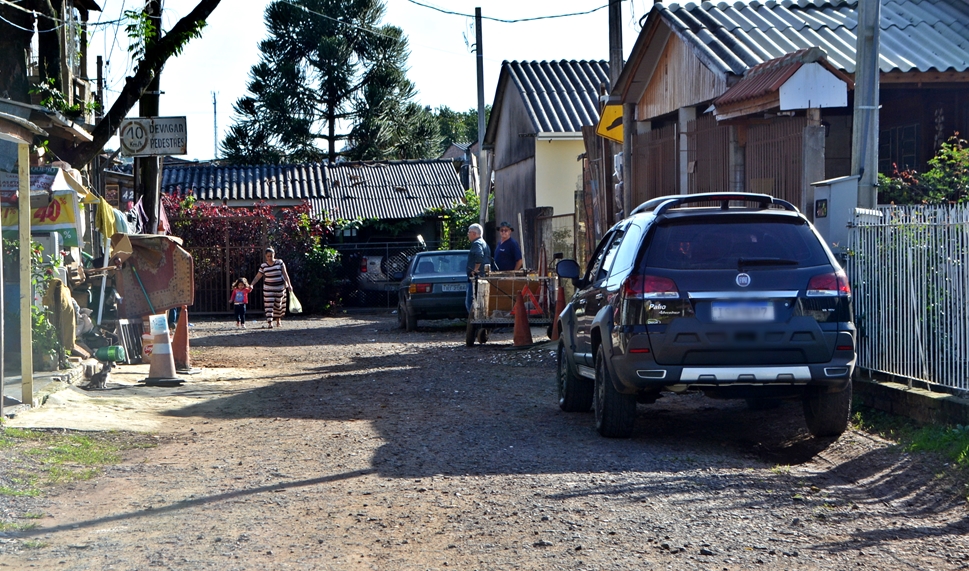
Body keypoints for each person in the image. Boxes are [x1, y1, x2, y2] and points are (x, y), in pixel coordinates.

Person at [251, 247, 293, 329]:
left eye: (271, 256)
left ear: (274, 255)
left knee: (278, 305)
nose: (270, 258)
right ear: (265, 256)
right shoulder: (263, 266)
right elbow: (258, 276)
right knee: (268, 305)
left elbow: (285, 274)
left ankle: (278, 320)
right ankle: (270, 322)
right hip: (268, 288)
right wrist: (252, 284)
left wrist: (289, 284)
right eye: (268, 256)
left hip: (280, 287)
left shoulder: (280, 262)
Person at [465, 223, 492, 314]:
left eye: (468, 232)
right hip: (483, 277)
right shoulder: (483, 242)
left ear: (473, 233)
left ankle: (473, 324)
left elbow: (479, 255)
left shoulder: (476, 243)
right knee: (480, 303)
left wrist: (475, 269)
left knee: (470, 303)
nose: (468, 235)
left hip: (476, 278)